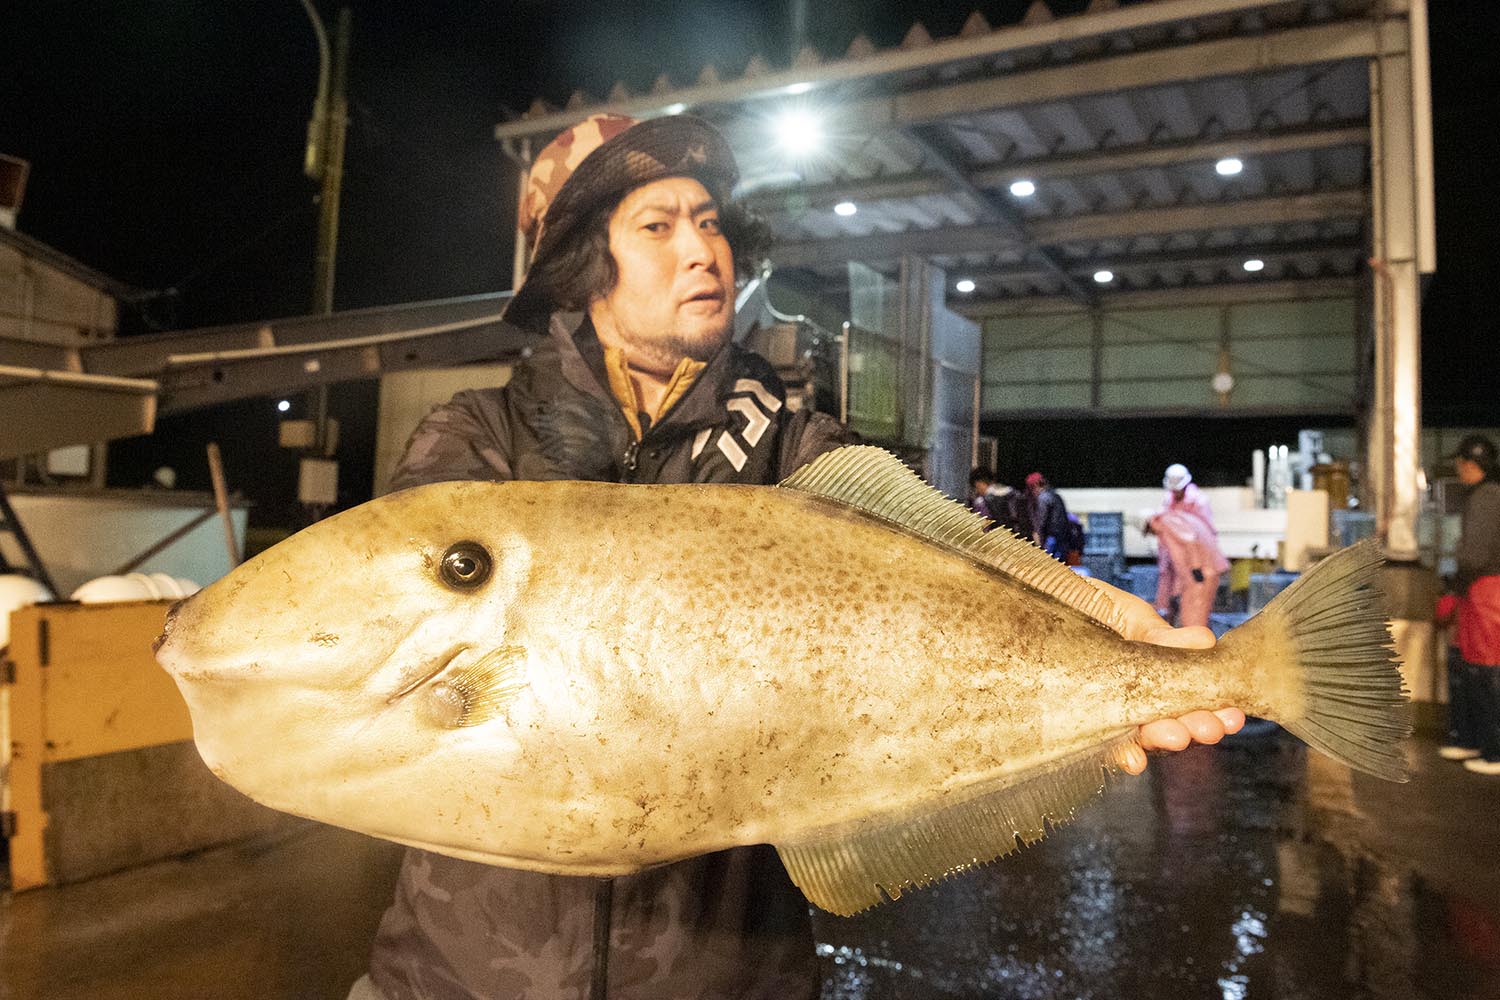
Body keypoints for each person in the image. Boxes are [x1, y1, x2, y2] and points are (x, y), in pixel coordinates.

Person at [349, 112, 1243, 1000]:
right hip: (460, 974)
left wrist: (1102, 634)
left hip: (730, 973)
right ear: (583, 264)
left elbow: (935, 583)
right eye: (656, 226)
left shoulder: (796, 450)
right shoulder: (477, 442)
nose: (703, 250)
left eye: (710, 221)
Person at [1445, 434, 1500, 775]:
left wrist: (1453, 585)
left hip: (1486, 590)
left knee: (1485, 667)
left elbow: (1474, 555)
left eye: (1460, 463)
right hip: (1483, 588)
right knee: (1474, 664)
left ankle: (1494, 751)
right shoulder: (1489, 495)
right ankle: (1474, 741)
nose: (1458, 469)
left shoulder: (1485, 497)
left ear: (1470, 464)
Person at [1147, 463, 1229, 630]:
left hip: (1197, 562)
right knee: (1171, 600)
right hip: (1179, 560)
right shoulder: (1167, 504)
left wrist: (1196, 565)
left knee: (1194, 613)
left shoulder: (1197, 502)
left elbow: (1197, 537)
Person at [1026, 471, 1080, 563]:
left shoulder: (1043, 498)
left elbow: (1041, 520)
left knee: (1050, 564)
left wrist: (1038, 536)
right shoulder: (1056, 495)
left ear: (1035, 485)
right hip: (1062, 538)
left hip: (1052, 538)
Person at [969, 466, 1032, 538]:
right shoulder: (1013, 493)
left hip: (997, 541)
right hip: (1016, 539)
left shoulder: (981, 502)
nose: (976, 491)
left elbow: (982, 528)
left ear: (978, 483)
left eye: (975, 488)